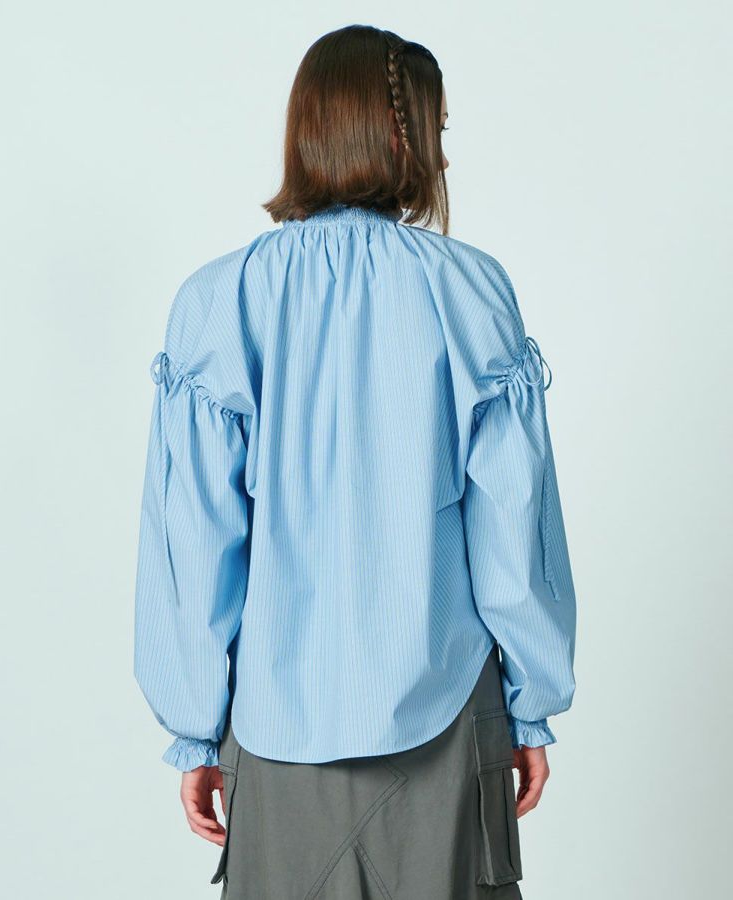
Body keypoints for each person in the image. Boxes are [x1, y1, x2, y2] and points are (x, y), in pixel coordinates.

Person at [133, 23, 577, 900]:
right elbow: (512, 530)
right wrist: (531, 706)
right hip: (447, 725)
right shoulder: (470, 291)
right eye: (437, 130)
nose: (445, 158)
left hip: (273, 737)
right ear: (400, 137)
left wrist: (194, 729)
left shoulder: (219, 300)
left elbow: (195, 542)